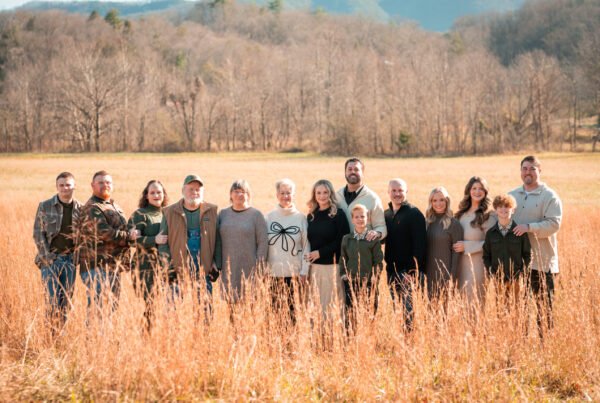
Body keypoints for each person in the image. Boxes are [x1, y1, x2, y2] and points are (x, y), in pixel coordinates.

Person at [509, 155, 562, 332]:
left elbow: (554, 224)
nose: (528, 172)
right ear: (520, 171)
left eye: (532, 168)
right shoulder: (512, 196)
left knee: (544, 311)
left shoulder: (549, 196)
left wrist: (529, 227)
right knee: (519, 310)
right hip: (517, 263)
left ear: (540, 171)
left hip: (542, 263)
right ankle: (520, 342)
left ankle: (545, 344)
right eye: (524, 168)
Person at [33, 172, 82, 326]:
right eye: (61, 185)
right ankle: (51, 334)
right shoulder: (45, 206)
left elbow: (85, 237)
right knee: (52, 300)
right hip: (51, 260)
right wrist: (47, 257)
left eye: (68, 185)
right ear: (56, 187)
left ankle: (61, 333)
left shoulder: (81, 209)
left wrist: (77, 258)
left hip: (70, 261)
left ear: (74, 186)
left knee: (66, 302)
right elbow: (38, 233)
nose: (65, 188)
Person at [159, 175, 220, 299]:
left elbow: (217, 240)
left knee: (204, 308)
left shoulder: (212, 211)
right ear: (183, 190)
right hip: (177, 272)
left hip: (203, 271)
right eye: (191, 189)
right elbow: (163, 243)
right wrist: (169, 268)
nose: (194, 192)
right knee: (175, 308)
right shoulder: (169, 212)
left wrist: (216, 264)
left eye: (198, 189)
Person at [77, 170, 132, 307]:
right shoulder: (92, 207)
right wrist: (130, 236)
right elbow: (105, 233)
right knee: (97, 309)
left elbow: (124, 228)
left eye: (108, 182)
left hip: (112, 266)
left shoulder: (114, 205)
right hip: (97, 267)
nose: (105, 185)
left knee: (111, 308)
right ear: (92, 185)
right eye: (100, 182)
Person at [384, 178, 427, 330]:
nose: (397, 194)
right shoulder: (387, 214)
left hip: (407, 273)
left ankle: (410, 340)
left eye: (400, 190)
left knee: (408, 313)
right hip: (391, 271)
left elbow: (420, 245)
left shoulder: (414, 214)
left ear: (406, 191)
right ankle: (401, 338)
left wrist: (412, 271)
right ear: (388, 192)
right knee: (397, 310)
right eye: (394, 190)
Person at [265, 179, 310, 323]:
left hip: (295, 275)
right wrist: (264, 270)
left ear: (294, 195)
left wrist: (304, 271)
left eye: (289, 193)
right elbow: (264, 247)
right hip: (272, 275)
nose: (285, 196)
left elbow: (306, 246)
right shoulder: (268, 218)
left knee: (293, 317)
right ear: (277, 195)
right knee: (274, 318)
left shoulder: (301, 218)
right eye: (282, 193)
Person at [217, 179, 268, 302]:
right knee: (230, 304)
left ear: (248, 195)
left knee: (249, 306)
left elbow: (263, 243)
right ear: (230, 194)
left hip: (250, 269)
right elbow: (216, 240)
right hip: (228, 269)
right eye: (236, 191)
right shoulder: (223, 214)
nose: (239, 194)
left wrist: (259, 268)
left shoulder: (256, 215)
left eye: (243, 192)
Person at [305, 179, 349, 319]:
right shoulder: (311, 216)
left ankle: (335, 332)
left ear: (330, 194)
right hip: (314, 268)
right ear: (314, 195)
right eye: (318, 193)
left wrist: (320, 253)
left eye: (325, 192)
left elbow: (342, 241)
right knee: (316, 308)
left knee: (333, 307)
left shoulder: (338, 214)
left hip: (332, 267)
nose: (322, 196)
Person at [128, 180, 169, 324]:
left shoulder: (167, 213)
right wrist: (154, 240)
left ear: (164, 195)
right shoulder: (140, 214)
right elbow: (131, 241)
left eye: (159, 192)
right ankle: (146, 333)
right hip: (145, 267)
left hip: (165, 266)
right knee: (150, 305)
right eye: (152, 192)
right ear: (146, 195)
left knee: (164, 304)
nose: (156, 195)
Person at [453, 176, 497, 305]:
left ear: (485, 192)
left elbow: (493, 242)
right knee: (460, 302)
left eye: (481, 189)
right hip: (460, 264)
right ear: (469, 190)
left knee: (474, 302)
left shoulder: (489, 215)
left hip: (477, 266)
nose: (477, 192)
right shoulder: (461, 214)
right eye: (474, 188)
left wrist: (468, 246)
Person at [340, 204, 384, 329]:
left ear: (367, 218)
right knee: (351, 313)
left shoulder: (372, 239)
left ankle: (368, 335)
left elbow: (378, 261)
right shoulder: (347, 239)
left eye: (362, 216)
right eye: (357, 217)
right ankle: (350, 337)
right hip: (351, 281)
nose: (360, 219)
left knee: (369, 312)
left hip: (368, 282)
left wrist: (375, 277)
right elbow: (343, 258)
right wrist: (343, 274)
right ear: (352, 219)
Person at [482, 194, 531, 301]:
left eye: (507, 206)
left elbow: (527, 255)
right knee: (500, 308)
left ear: (513, 210)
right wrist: (492, 273)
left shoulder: (520, 232)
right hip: (498, 280)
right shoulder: (491, 233)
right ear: (495, 210)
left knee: (516, 307)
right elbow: (486, 256)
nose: (503, 209)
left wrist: (521, 274)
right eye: (500, 206)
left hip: (516, 279)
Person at [424, 186, 463, 300]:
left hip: (446, 275)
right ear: (431, 202)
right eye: (434, 200)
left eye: (442, 200)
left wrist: (451, 278)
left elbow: (457, 254)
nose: (438, 204)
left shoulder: (454, 224)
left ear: (447, 201)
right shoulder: (427, 223)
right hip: (428, 274)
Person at [336, 157, 387, 242]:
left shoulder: (372, 198)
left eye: (356, 169)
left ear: (363, 173)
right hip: (341, 248)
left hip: (364, 248)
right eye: (349, 169)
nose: (352, 172)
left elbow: (381, 227)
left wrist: (377, 233)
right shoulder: (337, 196)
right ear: (345, 173)